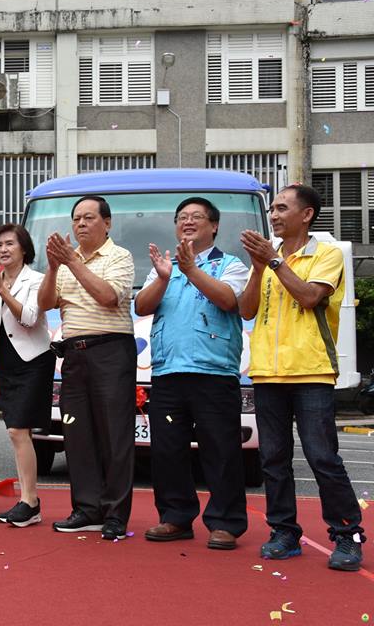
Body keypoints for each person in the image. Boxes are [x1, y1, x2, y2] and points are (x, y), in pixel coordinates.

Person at [239, 184, 365, 571]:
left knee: (322, 456)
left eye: (281, 208)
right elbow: (246, 310)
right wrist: (261, 267)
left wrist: (275, 264)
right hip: (267, 372)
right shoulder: (267, 259)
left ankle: (347, 534)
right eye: (272, 209)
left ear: (306, 214)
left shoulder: (325, 254)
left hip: (311, 370)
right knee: (273, 459)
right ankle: (284, 532)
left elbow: (311, 297)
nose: (273, 216)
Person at [134, 197, 249, 550]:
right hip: (168, 370)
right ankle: (175, 517)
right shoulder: (162, 267)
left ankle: (226, 522)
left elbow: (230, 301)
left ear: (214, 226)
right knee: (168, 451)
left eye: (196, 217)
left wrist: (193, 270)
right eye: (182, 217)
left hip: (214, 372)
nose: (187, 222)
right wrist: (166, 276)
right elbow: (141, 306)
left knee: (221, 450)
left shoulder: (231, 265)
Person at [37, 195, 136, 541]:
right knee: (77, 434)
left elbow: (109, 296)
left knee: (114, 434)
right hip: (74, 354)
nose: (80, 224)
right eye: (76, 218)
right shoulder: (65, 262)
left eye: (89, 218)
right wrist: (53, 266)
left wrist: (71, 263)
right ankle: (86, 508)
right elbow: (46, 303)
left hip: (111, 351)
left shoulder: (119, 256)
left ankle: (114, 514)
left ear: (107, 223)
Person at [0, 224, 55, 528]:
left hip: (33, 360)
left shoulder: (37, 280)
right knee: (20, 433)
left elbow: (30, 318)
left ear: (24, 249)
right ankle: (29, 501)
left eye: (9, 244)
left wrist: (2, 290)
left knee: (17, 431)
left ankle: (30, 501)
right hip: (6, 361)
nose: (3, 250)